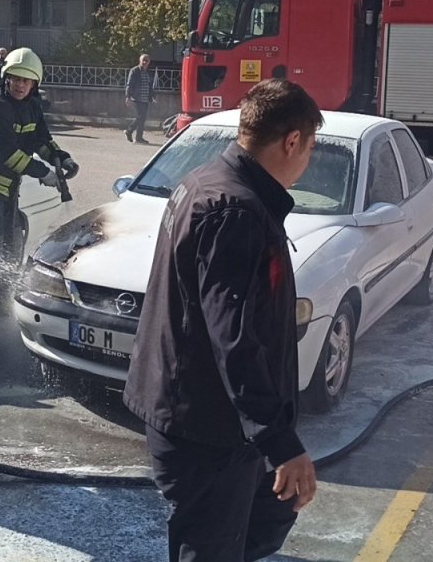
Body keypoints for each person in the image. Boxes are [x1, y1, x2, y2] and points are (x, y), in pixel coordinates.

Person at [124, 78, 322, 561]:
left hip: (223, 425)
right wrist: (280, 443)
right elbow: (232, 339)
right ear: (291, 140)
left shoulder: (208, 182)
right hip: (208, 432)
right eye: (310, 147)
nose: (307, 160)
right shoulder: (235, 209)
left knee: (267, 520)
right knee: (212, 550)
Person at [0, 47, 77, 313]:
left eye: (26, 80)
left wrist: (63, 158)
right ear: (6, 78)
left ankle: (6, 288)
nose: (20, 85)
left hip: (6, 186)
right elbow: (7, 153)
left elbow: (41, 140)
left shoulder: (32, 106)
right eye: (15, 78)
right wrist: (44, 174)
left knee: (11, 240)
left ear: (34, 83)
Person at [124, 53, 155, 143]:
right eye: (143, 60)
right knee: (140, 117)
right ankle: (131, 132)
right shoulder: (135, 71)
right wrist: (128, 96)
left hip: (145, 99)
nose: (145, 62)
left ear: (149, 62)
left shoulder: (148, 72)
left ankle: (137, 137)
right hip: (136, 98)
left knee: (142, 118)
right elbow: (129, 84)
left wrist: (152, 96)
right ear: (140, 61)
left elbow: (150, 86)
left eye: (147, 60)